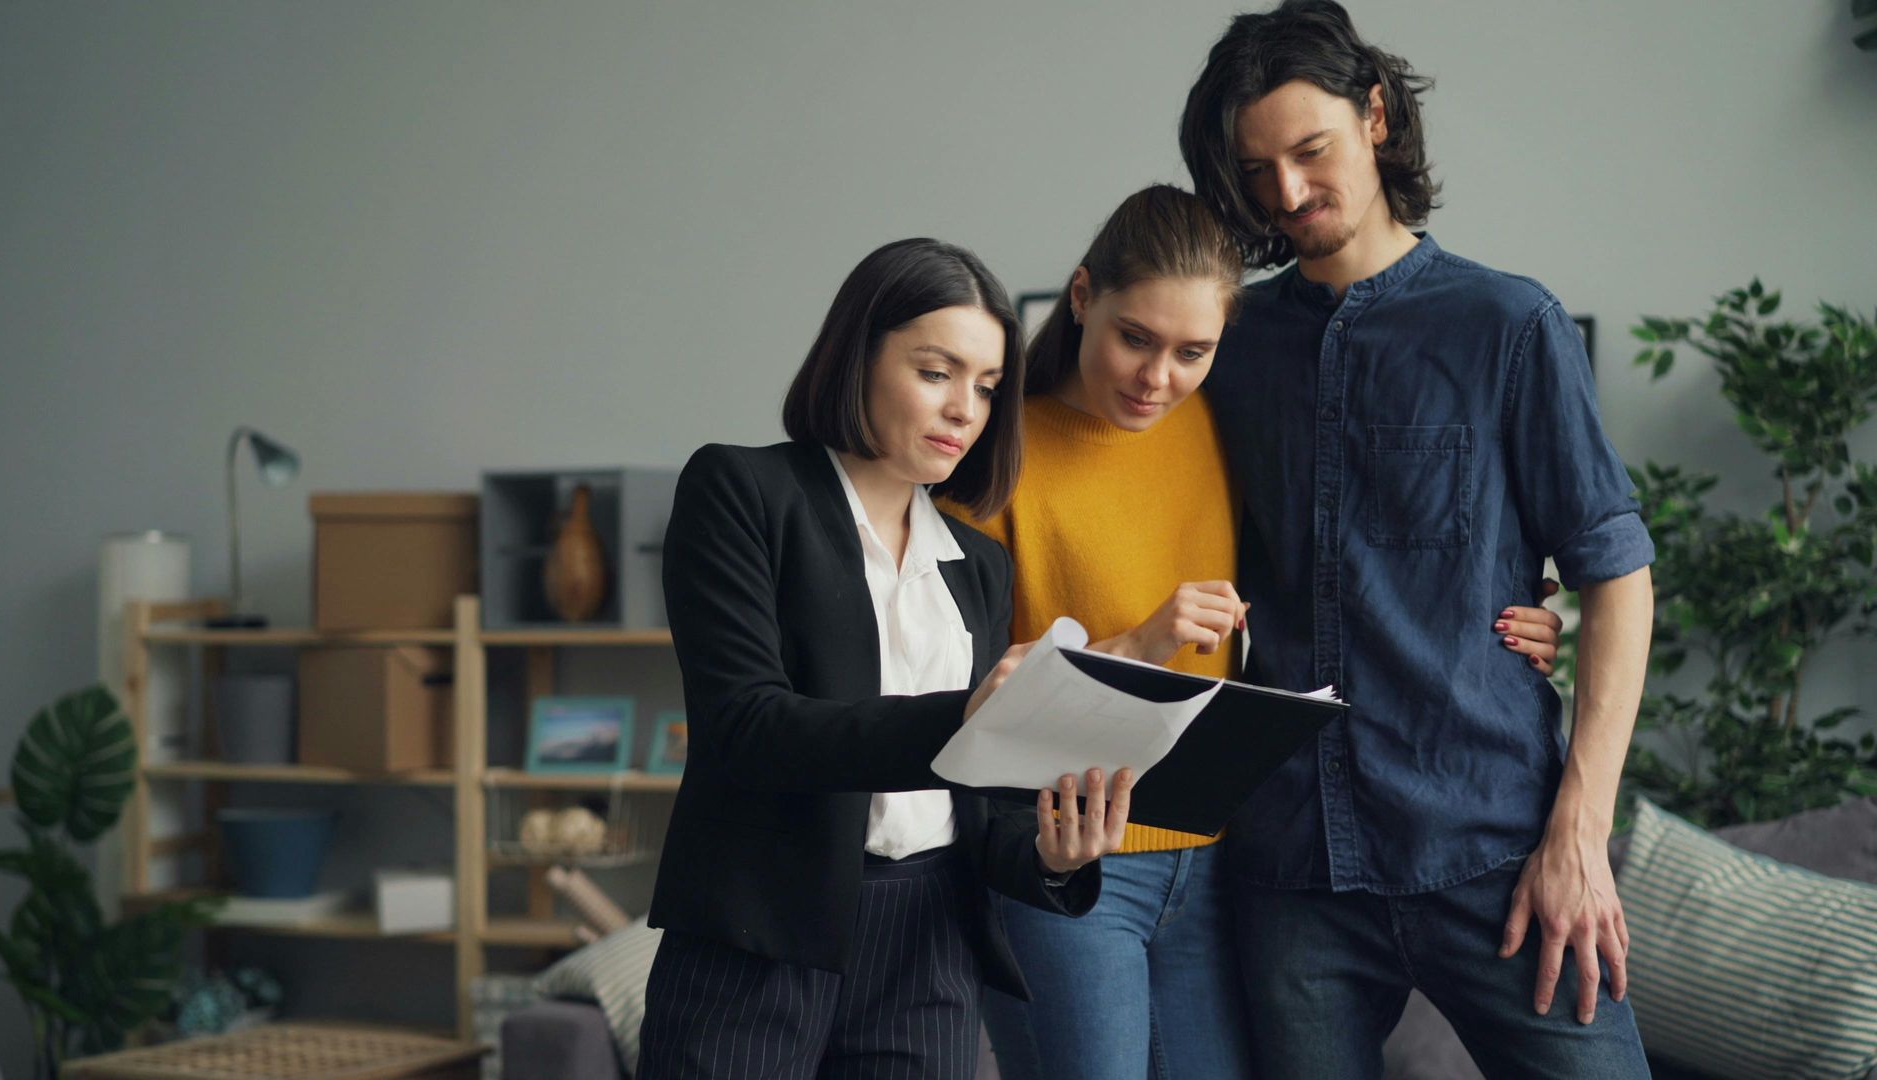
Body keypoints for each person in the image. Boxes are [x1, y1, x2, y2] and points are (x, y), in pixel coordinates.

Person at [949, 185, 1572, 1079]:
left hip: (1210, 863)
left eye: (1191, 351)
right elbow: (963, 705)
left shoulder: (1216, 424)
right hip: (1064, 857)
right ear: (1082, 297)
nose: (1156, 378)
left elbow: (1345, 553)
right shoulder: (996, 458)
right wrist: (1137, 644)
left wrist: (1514, 613)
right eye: (1135, 339)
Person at [1179, 2, 1657, 1076]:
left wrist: (1579, 834)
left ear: (1377, 115)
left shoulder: (1508, 326)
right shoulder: (1232, 346)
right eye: (1259, 172)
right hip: (1294, 862)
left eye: (1311, 152)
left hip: (1489, 845)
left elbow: (1615, 571)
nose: (1290, 195)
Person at [638, 237, 1135, 1080]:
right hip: (763, 934)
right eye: (936, 373)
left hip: (931, 942)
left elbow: (984, 811)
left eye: (984, 387)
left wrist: (1054, 854)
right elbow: (746, 727)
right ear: (857, 355)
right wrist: (967, 714)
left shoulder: (977, 564)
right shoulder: (741, 492)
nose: (964, 411)